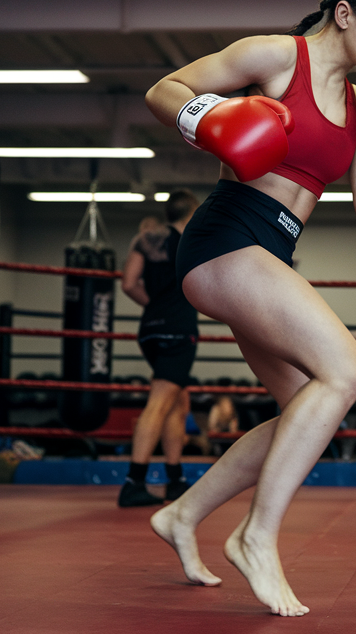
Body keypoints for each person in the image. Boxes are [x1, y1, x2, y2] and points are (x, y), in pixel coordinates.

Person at [142, 0, 356, 616]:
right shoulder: (277, 57)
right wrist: (210, 119)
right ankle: (256, 536)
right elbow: (164, 88)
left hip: (273, 252)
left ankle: (183, 515)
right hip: (226, 237)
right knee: (347, 370)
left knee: (305, 406)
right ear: (345, 14)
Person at [117, 189, 202, 507]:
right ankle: (133, 482)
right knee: (160, 402)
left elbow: (128, 283)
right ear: (192, 213)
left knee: (177, 404)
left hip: (150, 330)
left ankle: (175, 478)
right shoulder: (193, 240)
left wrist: (154, 306)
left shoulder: (147, 239)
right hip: (178, 331)